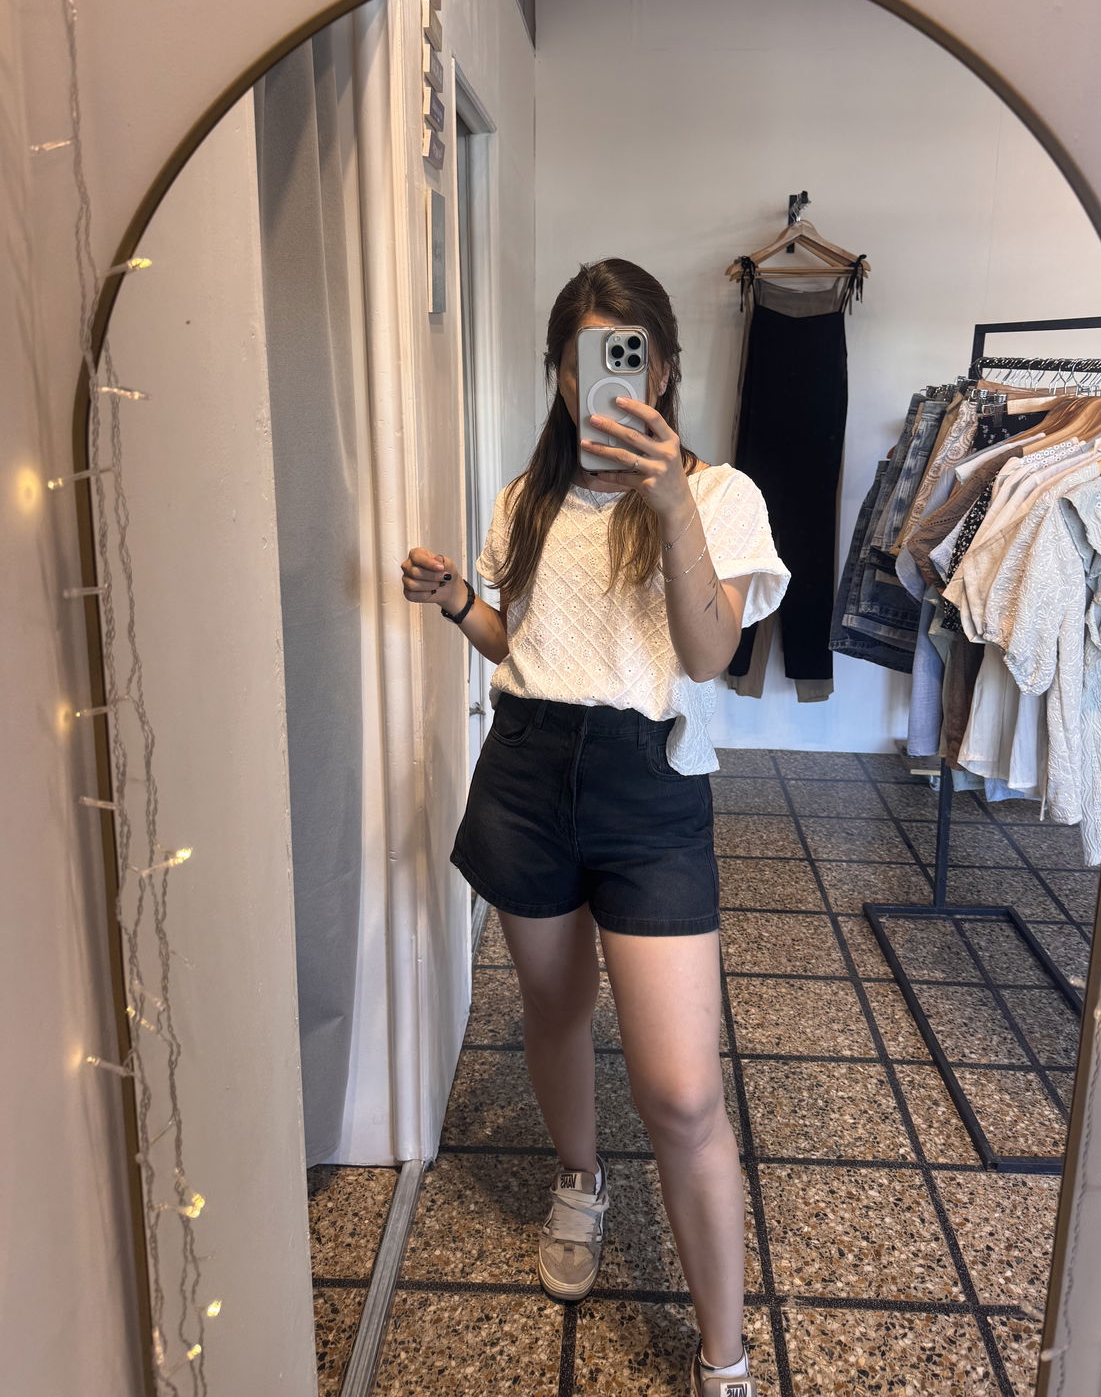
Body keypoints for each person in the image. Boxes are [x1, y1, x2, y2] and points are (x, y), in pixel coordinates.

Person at [403, 258, 789, 1397]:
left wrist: (668, 506)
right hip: (525, 771)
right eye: (582, 362)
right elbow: (513, 639)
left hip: (649, 789)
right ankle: (580, 1177)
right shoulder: (524, 499)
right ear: (561, 375)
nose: (604, 381)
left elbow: (708, 657)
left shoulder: (721, 495)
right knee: (555, 1008)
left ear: (663, 370)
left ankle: (725, 1359)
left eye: (629, 357)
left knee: (683, 1092)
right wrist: (456, 602)